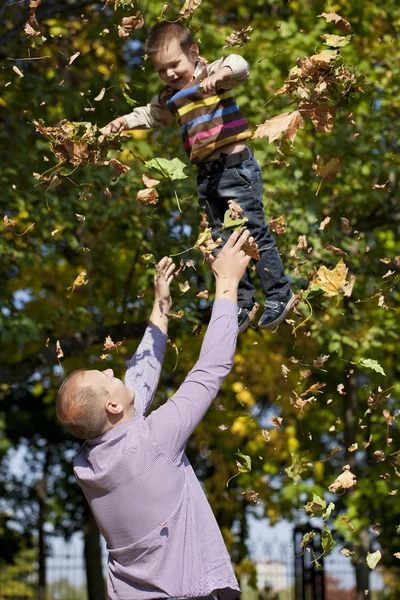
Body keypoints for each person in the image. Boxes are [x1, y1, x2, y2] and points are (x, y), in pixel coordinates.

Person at [56, 229, 254, 600]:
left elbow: (138, 384)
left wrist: (160, 307)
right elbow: (210, 369)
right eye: (107, 377)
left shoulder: (88, 465)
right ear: (112, 406)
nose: (114, 373)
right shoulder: (152, 442)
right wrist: (226, 283)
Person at [102, 20, 295, 333]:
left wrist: (221, 76)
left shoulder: (210, 73)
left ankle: (278, 292)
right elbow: (152, 115)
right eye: (162, 70)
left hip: (234, 166)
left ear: (193, 52)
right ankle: (243, 301)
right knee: (223, 241)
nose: (171, 74)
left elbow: (239, 65)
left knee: (252, 232)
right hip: (206, 178)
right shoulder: (170, 95)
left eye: (175, 65)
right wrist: (124, 121)